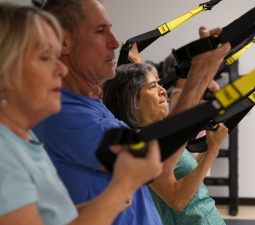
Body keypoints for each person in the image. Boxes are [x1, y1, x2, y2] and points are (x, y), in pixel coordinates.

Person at [33, 0, 230, 224]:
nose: (114, 42)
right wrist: (198, 75)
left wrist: (205, 72)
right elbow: (158, 166)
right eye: (100, 31)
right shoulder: (66, 115)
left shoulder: (92, 105)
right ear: (64, 41)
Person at [0, 4, 163, 225]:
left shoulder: (24, 141)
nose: (61, 69)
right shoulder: (5, 154)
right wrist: (120, 188)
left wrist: (110, 199)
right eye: (45, 58)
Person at [103, 62, 228, 225]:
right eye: (153, 86)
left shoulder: (157, 135)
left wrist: (211, 146)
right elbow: (177, 200)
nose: (163, 91)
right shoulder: (141, 143)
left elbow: (184, 172)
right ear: (133, 100)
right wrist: (213, 152)